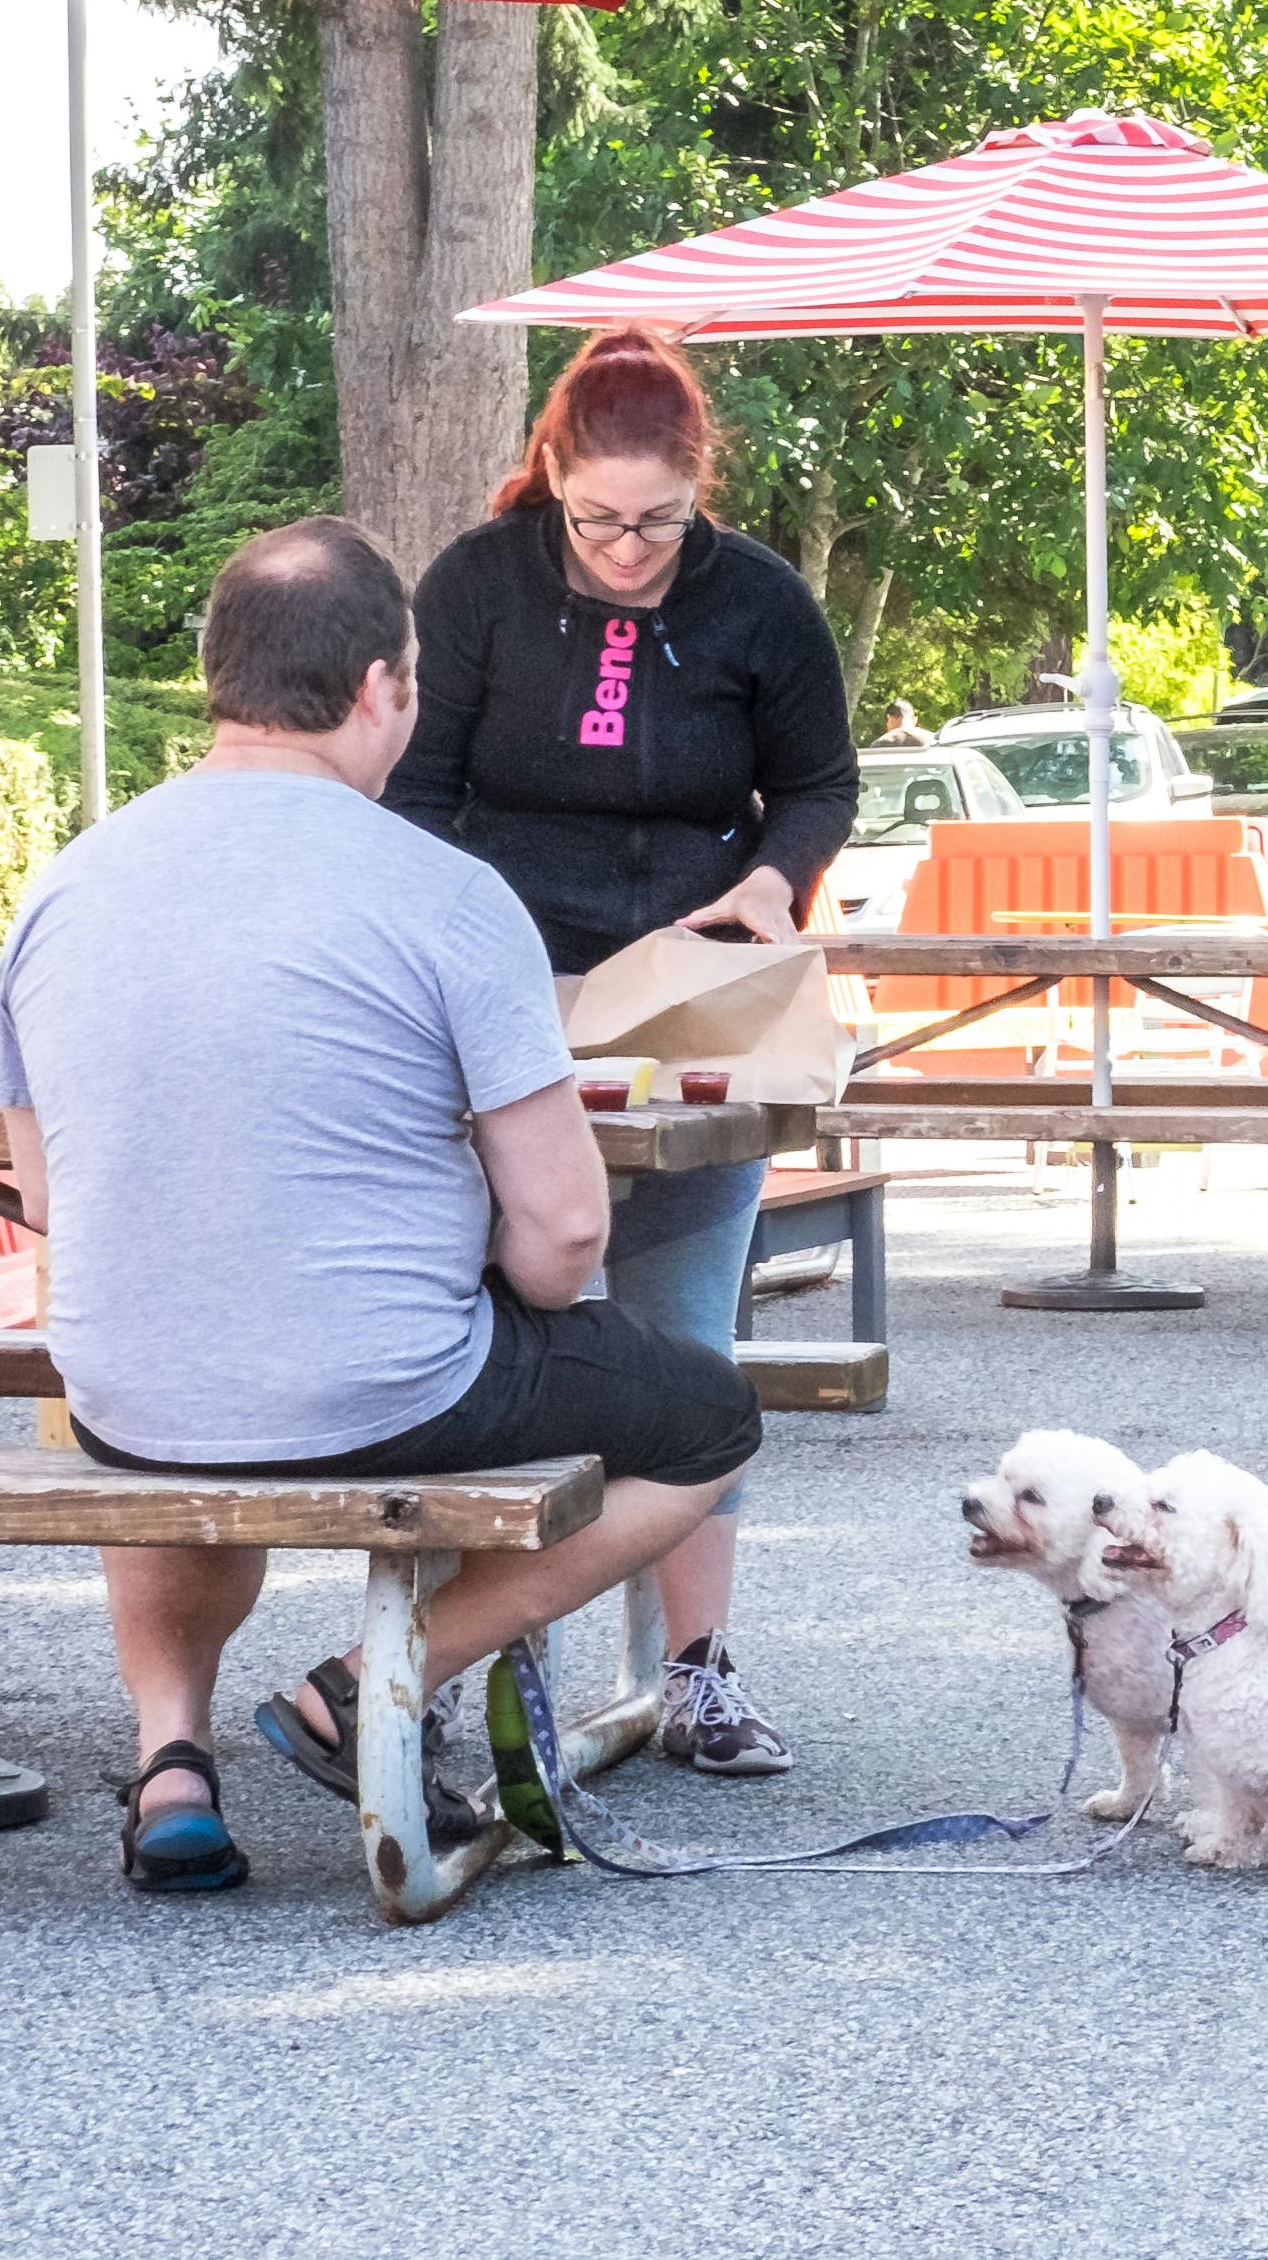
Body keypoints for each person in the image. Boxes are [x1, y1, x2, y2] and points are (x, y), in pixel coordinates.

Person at [0, 520, 763, 1894]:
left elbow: (49, 1193)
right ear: (378, 687)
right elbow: (568, 1231)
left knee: (174, 1413)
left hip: (124, 1386)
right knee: (706, 1417)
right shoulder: (445, 894)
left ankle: (173, 1759)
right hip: (387, 1382)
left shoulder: (59, 886)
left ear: (217, 677)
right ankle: (371, 1680)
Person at [382, 327, 854, 1776]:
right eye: (596, 519)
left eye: (657, 519)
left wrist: (776, 877)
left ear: (697, 486)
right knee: (515, 1339)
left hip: (691, 995)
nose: (628, 546)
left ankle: (696, 1671)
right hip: (508, 992)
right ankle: (473, 1656)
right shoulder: (477, 584)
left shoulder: (758, 600)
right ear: (552, 481)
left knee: (684, 1339)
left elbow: (819, 781)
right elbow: (415, 790)